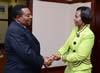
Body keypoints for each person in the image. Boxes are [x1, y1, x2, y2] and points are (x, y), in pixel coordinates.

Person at [3, 5, 50, 73]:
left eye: (30, 15)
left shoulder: (21, 27)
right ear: (18, 17)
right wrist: (42, 61)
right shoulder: (14, 30)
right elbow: (26, 53)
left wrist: (42, 59)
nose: (31, 17)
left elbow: (30, 47)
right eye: (28, 15)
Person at [49, 6, 95, 73]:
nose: (74, 18)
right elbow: (65, 46)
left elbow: (80, 56)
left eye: (76, 17)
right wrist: (52, 57)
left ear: (84, 19)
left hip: (82, 70)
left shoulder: (89, 35)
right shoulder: (75, 29)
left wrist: (62, 57)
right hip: (70, 68)